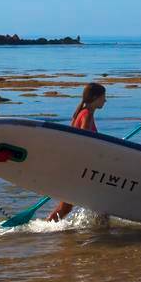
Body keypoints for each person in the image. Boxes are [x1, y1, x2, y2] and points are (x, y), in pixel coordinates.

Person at [49, 82, 106, 222]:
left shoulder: (83, 113)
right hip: (78, 168)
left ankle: (47, 231)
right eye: (103, 97)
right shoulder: (85, 115)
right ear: (95, 98)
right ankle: (103, 235)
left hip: (74, 166)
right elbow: (83, 143)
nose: (105, 100)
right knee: (102, 204)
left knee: (66, 208)